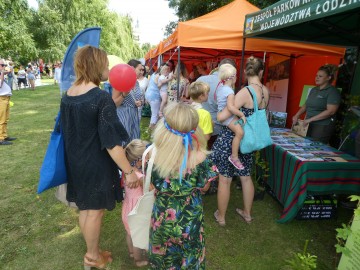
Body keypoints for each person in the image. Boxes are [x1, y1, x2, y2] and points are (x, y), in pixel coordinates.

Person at [60, 45, 139, 269]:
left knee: (85, 209)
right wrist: (129, 171)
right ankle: (93, 258)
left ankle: (91, 253)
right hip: (94, 163)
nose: (108, 67)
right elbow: (112, 143)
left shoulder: (69, 94)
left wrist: (112, 104)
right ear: (97, 65)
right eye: (105, 63)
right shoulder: (100, 97)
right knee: (94, 212)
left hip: (76, 161)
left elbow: (78, 124)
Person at [148, 102, 217, 269]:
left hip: (163, 217)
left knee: (163, 256)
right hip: (190, 219)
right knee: (190, 256)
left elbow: (151, 187)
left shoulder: (153, 154)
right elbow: (205, 188)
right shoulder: (201, 157)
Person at [211, 56, 269, 226]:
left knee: (225, 179)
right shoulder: (266, 91)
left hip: (233, 139)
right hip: (249, 140)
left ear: (245, 72)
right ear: (261, 72)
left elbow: (223, 116)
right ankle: (247, 213)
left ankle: (221, 216)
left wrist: (219, 112)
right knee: (245, 177)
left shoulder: (245, 92)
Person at [292, 64, 341, 144]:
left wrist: (310, 119)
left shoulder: (333, 91)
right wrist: (297, 115)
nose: (317, 78)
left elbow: (331, 111)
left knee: (315, 148)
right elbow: (306, 104)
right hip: (307, 123)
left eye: (320, 76)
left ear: (328, 78)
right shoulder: (314, 90)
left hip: (322, 126)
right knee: (303, 145)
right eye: (316, 75)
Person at [197, 58, 237, 149]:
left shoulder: (201, 79)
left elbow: (193, 100)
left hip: (199, 125)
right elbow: (228, 109)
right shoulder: (228, 87)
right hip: (217, 128)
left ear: (218, 67)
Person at [122, 139, 150, 267]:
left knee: (130, 233)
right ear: (139, 160)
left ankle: (131, 252)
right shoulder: (139, 176)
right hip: (137, 210)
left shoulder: (126, 170)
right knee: (138, 236)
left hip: (128, 207)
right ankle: (138, 260)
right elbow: (151, 188)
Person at [215, 63, 247, 170]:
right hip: (228, 118)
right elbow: (231, 107)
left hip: (221, 115)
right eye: (236, 76)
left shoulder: (220, 88)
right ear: (233, 78)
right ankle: (234, 156)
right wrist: (241, 114)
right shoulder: (229, 91)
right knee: (240, 133)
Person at [112, 59, 144, 141]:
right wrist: (123, 95)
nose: (142, 72)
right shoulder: (121, 80)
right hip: (123, 116)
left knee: (133, 144)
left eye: (142, 70)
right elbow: (113, 104)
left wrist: (140, 102)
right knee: (123, 142)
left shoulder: (136, 83)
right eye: (140, 69)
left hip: (134, 116)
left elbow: (138, 98)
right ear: (132, 68)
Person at [0, 59, 17, 145]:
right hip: (1, 99)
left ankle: (4, 135)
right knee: (1, 119)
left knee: (5, 118)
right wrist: (3, 74)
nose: (4, 67)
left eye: (4, 65)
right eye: (2, 65)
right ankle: (1, 138)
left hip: (5, 99)